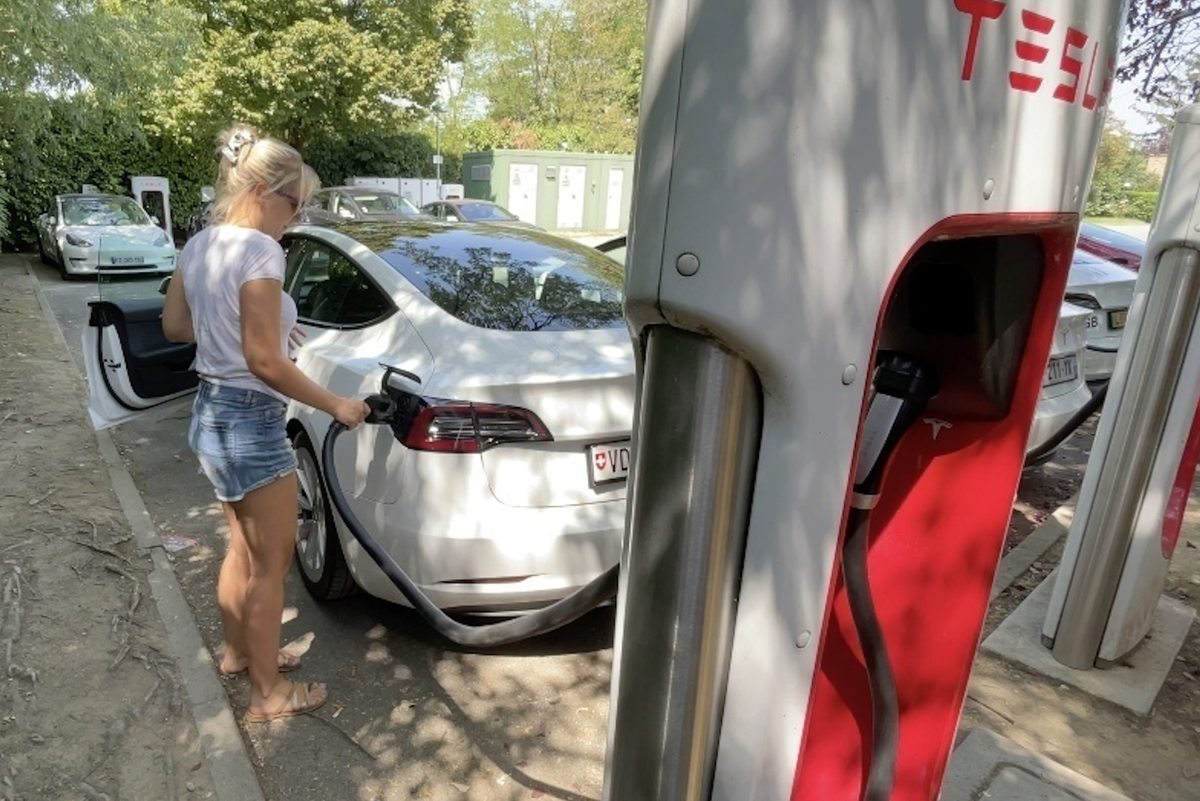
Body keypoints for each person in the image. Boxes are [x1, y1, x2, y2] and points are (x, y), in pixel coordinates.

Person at [162, 124, 370, 723]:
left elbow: (177, 327)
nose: (296, 215)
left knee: (243, 551)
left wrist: (254, 334)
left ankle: (237, 655)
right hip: (250, 420)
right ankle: (268, 694)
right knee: (271, 568)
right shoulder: (260, 249)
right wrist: (338, 405)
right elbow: (261, 361)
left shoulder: (201, 243)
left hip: (212, 415)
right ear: (259, 190)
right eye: (293, 201)